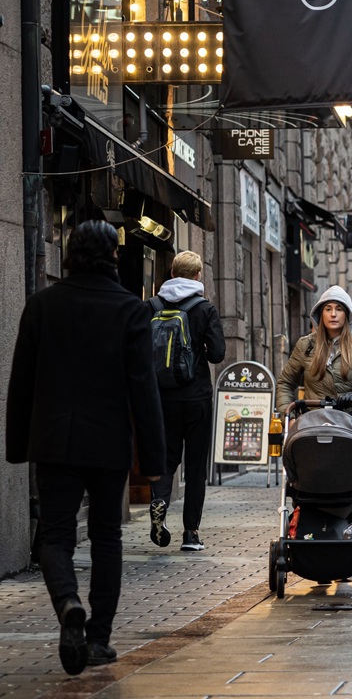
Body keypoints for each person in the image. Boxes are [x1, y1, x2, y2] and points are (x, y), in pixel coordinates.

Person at [6, 220, 166, 675]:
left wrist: (17, 444)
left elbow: (21, 382)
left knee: (54, 536)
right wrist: (153, 461)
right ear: (113, 257)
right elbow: (144, 390)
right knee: (106, 537)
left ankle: (68, 603)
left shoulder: (41, 305)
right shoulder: (130, 311)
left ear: (71, 255)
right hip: (108, 442)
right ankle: (97, 638)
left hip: (53, 441)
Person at [148, 251, 226, 553]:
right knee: (195, 466)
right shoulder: (204, 308)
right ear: (198, 276)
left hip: (163, 397)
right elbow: (218, 353)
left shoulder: (152, 306)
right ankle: (191, 534)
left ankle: (159, 503)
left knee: (167, 459)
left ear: (171, 272)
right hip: (196, 398)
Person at [276, 286, 352, 417]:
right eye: (328, 309)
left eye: (339, 309)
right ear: (320, 314)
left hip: (348, 421)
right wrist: (289, 419)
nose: (333, 314)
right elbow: (285, 383)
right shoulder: (306, 344)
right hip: (313, 421)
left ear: (347, 314)